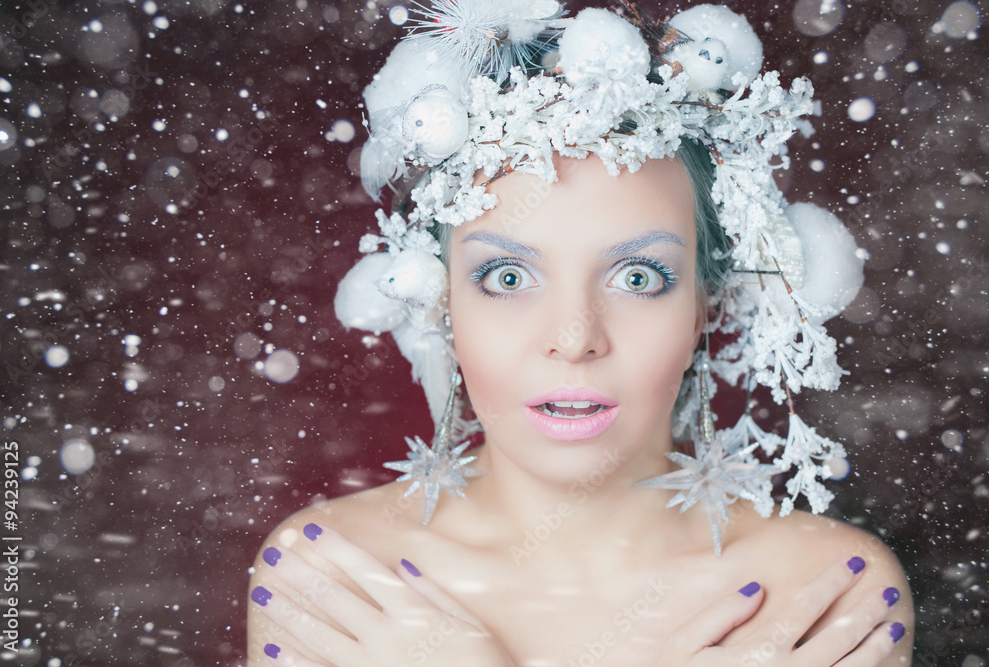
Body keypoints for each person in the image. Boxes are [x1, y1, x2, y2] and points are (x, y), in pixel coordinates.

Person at [247, 2, 914, 665]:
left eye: (639, 278)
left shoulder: (822, 592)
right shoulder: (340, 585)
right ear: (440, 297)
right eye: (508, 277)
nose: (574, 338)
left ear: (705, 304)